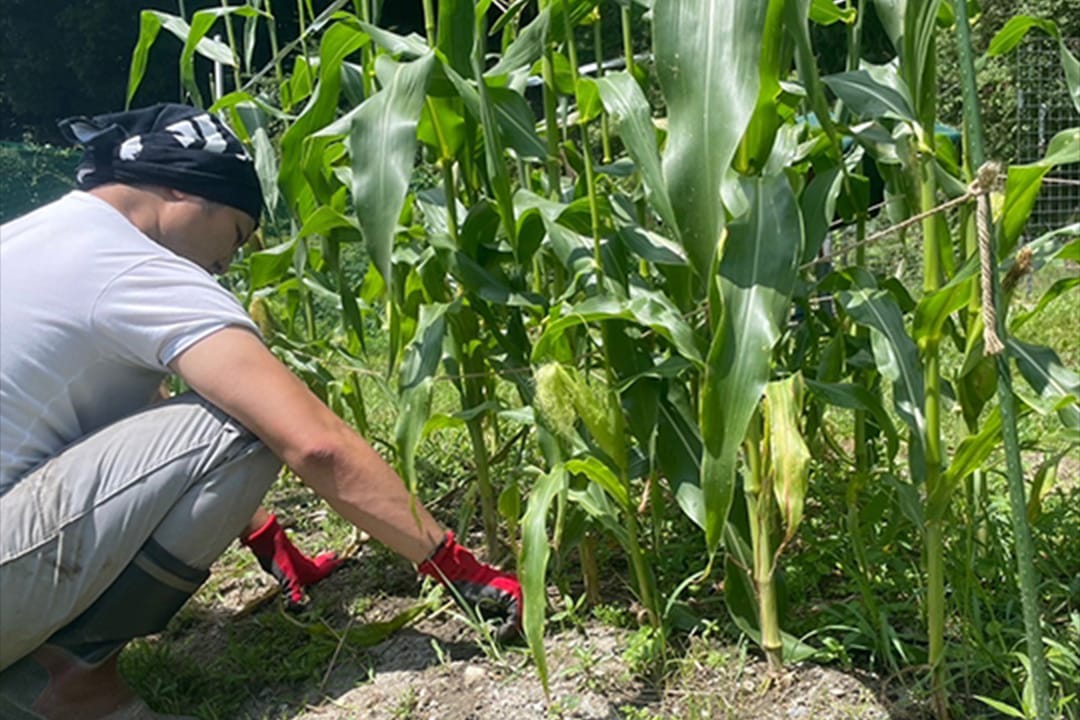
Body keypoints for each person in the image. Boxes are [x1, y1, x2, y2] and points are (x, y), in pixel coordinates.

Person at [0, 103, 522, 720]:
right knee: (248, 422)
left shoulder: (30, 237)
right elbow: (310, 441)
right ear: (180, 188)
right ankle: (68, 681)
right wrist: (454, 565)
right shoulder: (137, 267)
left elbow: (137, 437)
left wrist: (266, 538)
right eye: (239, 232)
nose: (230, 261)